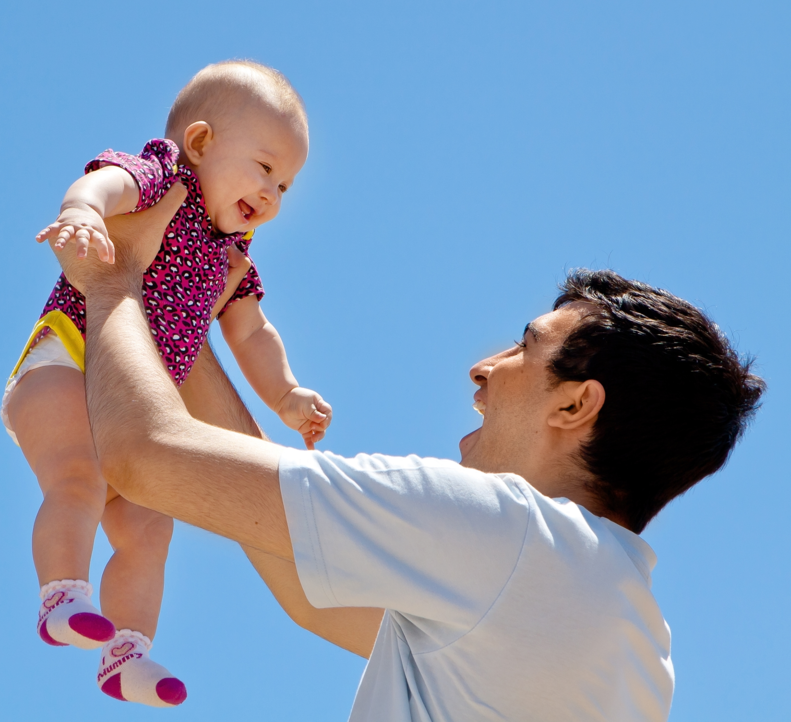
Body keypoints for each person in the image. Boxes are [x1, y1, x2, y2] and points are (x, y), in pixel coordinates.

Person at [51, 188, 765, 721]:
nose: (483, 368)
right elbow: (308, 591)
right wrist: (184, 318)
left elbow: (144, 457)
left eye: (526, 346)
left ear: (575, 405)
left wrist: (113, 282)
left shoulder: (504, 530)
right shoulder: (634, 637)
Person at [3, 61, 333, 707]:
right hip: (66, 362)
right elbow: (107, 183)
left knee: (151, 529)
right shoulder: (162, 181)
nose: (272, 194)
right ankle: (63, 593)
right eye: (264, 168)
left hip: (130, 403)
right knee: (78, 477)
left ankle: (127, 652)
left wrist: (287, 395)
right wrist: (82, 211)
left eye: (287, 187)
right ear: (203, 143)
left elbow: (252, 333)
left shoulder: (231, 255)